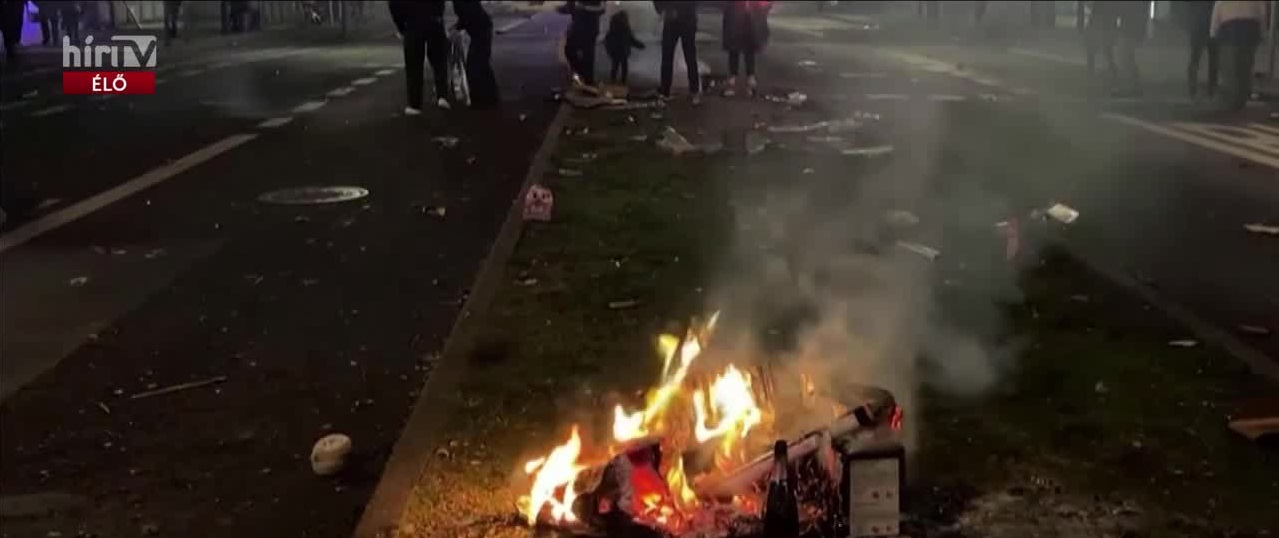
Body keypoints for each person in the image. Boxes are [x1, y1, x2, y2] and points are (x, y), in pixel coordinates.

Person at [389, 0, 450, 114]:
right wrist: (438, 16)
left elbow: (394, 4)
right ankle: (442, 95)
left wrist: (401, 27)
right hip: (434, 21)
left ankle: (415, 105)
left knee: (414, 65)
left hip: (413, 23)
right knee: (439, 61)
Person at [1211, 1, 1271, 110]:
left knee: (1229, 68)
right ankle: (1240, 99)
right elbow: (1262, 15)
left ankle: (1230, 100)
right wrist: (1263, 33)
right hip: (1249, 29)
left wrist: (1213, 32)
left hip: (1229, 30)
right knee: (1245, 67)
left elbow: (1217, 11)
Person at [453, 0, 499, 109]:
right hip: (482, 29)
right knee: (481, 63)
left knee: (475, 65)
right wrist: (456, 27)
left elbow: (467, 15)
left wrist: (457, 28)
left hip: (481, 31)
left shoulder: (460, 3)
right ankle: (489, 96)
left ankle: (480, 97)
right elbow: (466, 15)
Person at [722, 0, 771, 98]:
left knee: (748, 49)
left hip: (750, 17)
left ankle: (748, 79)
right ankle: (735, 79)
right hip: (737, 16)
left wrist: (764, 8)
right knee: (735, 48)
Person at [654, 0, 700, 102]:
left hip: (675, 19)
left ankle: (665, 91)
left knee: (668, 56)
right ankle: (694, 91)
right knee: (689, 56)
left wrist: (663, 8)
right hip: (687, 17)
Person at [1180, 0, 1218, 100]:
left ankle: (1192, 88)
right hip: (1211, 27)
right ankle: (1211, 89)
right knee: (1213, 60)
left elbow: (1188, 9)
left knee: (1195, 59)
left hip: (1198, 27)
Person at [561, 0, 605, 86]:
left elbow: (602, 9)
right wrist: (562, 9)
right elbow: (570, 7)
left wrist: (585, 8)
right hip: (576, 27)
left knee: (588, 56)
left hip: (590, 28)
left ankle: (589, 81)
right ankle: (583, 73)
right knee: (569, 50)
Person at [604, 9, 644, 85]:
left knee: (615, 66)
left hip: (614, 51)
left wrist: (609, 50)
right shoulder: (626, 30)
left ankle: (613, 80)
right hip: (623, 52)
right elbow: (632, 40)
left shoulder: (612, 30)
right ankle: (623, 81)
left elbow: (607, 41)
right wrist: (641, 45)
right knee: (624, 67)